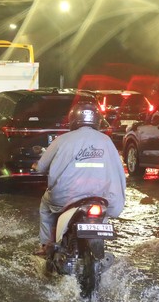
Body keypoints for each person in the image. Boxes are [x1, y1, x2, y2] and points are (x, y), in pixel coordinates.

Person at [32, 101, 126, 256]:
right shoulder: (106, 140)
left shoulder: (61, 139)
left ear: (73, 119)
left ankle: (46, 244)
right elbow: (118, 170)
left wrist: (36, 166)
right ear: (96, 120)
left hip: (67, 196)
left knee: (45, 206)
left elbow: (41, 167)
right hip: (103, 196)